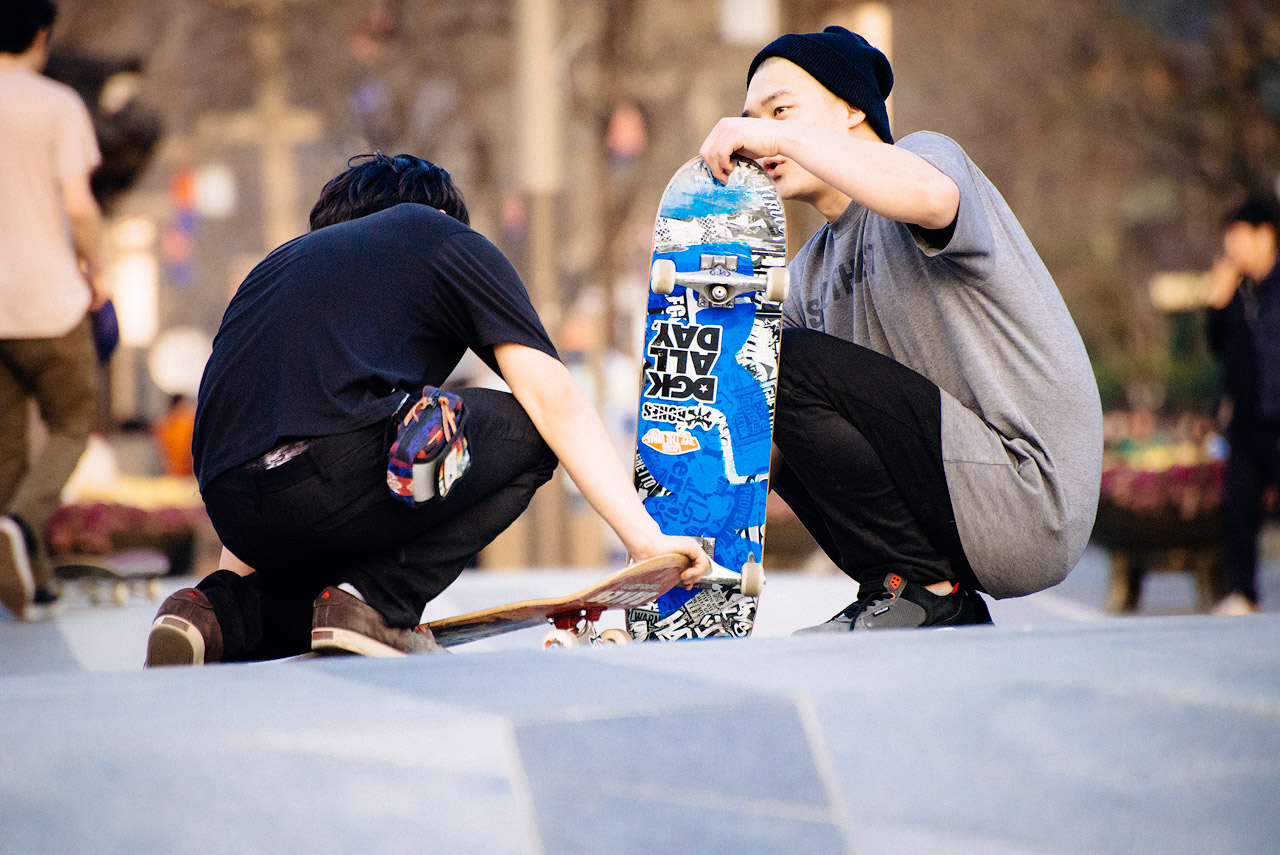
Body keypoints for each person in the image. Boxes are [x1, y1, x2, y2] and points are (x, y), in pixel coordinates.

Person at [145, 153, 707, 665]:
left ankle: (209, 616)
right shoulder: (434, 233)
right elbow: (552, 400)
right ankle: (376, 602)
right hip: (334, 473)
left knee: (315, 590)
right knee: (525, 433)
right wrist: (645, 541)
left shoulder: (276, 269)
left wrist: (226, 581)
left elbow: (260, 443)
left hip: (229, 498)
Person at [698, 26, 1102, 631]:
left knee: (764, 350)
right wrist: (676, 530)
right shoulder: (807, 275)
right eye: (752, 121)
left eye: (781, 110)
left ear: (854, 106)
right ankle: (906, 590)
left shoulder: (926, 160)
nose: (759, 140)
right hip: (954, 505)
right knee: (742, 378)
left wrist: (776, 134)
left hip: (1026, 495)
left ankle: (927, 587)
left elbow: (931, 198)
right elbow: (772, 439)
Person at [0, 0, 108, 620]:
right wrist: (98, 273)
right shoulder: (55, 104)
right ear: (41, 35)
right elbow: (80, 208)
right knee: (73, 422)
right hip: (50, 298)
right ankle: (20, 520)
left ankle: (32, 583)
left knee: (7, 447)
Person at [1206, 195, 1280, 616]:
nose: (1230, 248)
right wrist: (1217, 304)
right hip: (1248, 419)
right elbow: (1220, 350)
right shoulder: (1237, 290)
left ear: (1265, 235)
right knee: (1238, 506)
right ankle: (1242, 593)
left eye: (1237, 237)